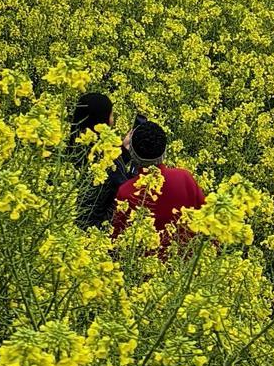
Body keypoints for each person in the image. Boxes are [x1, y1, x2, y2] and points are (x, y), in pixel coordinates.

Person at [111, 118, 205, 254]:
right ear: (165, 152)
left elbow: (117, 239)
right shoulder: (185, 178)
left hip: (141, 270)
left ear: (132, 153)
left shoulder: (126, 192)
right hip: (187, 266)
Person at [67, 89, 137, 230]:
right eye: (111, 115)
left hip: (70, 222)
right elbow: (123, 187)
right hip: (97, 229)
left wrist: (123, 151)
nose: (113, 119)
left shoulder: (74, 146)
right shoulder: (104, 154)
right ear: (101, 120)